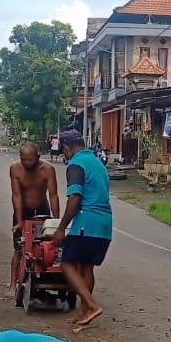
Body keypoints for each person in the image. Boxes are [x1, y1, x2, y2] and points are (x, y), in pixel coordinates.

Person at [53, 129, 112, 326]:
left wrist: (61, 228)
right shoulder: (97, 162)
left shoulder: (76, 164)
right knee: (87, 266)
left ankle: (92, 306)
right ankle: (84, 312)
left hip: (87, 221)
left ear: (66, 147)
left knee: (67, 264)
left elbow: (75, 198)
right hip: (105, 223)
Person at [9, 142, 61, 294]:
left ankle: (42, 279)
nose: (26, 163)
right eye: (23, 159)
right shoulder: (15, 168)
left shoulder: (47, 169)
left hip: (42, 209)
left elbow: (53, 196)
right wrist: (19, 221)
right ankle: (13, 285)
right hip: (23, 210)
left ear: (38, 157)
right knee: (19, 248)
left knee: (45, 246)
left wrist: (56, 222)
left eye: (30, 160)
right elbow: (16, 195)